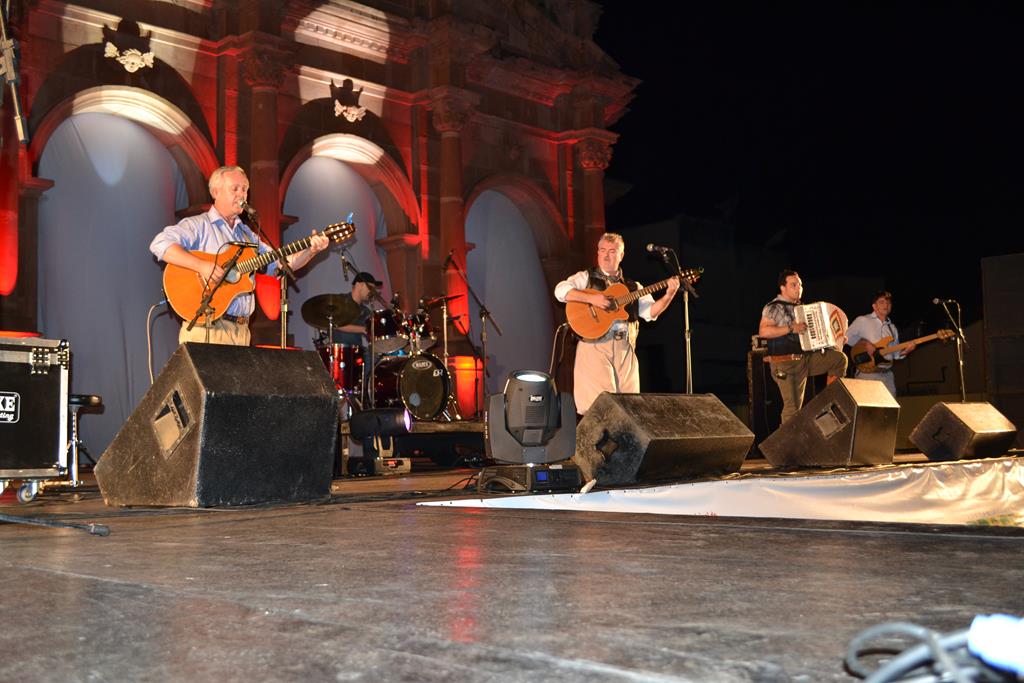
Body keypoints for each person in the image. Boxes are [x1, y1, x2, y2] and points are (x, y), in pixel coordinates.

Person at [150, 165, 329, 346]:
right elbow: (160, 244)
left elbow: (282, 264)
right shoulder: (199, 225)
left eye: (244, 189)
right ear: (215, 192)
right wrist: (201, 265)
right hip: (207, 329)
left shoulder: (247, 235)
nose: (241, 194)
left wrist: (311, 250)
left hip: (242, 332)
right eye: (235, 189)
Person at [554, 232, 680, 414]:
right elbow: (561, 290)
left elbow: (651, 313)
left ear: (621, 255)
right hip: (595, 345)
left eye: (612, 251)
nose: (605, 255)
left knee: (629, 407)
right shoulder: (586, 277)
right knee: (602, 407)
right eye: (602, 250)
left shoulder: (633, 287)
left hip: (625, 347)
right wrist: (594, 299)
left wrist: (669, 295)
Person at [758, 269, 848, 424]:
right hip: (784, 365)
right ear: (782, 288)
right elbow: (764, 331)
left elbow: (814, 339)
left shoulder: (804, 308)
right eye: (793, 285)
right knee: (792, 409)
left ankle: (830, 404)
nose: (798, 288)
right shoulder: (774, 307)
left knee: (839, 359)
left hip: (805, 359)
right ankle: (786, 446)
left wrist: (835, 340)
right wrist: (791, 328)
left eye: (800, 284)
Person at [845, 290, 914, 396]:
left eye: (888, 303)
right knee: (867, 410)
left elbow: (895, 355)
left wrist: (907, 351)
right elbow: (845, 338)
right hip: (867, 375)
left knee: (889, 411)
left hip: (887, 377)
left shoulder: (892, 328)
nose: (886, 305)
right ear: (874, 306)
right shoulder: (863, 320)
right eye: (881, 302)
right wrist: (865, 343)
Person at [331, 272, 383, 347]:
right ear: (359, 285)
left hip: (358, 352)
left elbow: (371, 335)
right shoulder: (341, 301)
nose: (371, 291)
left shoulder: (366, 311)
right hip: (340, 351)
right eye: (370, 287)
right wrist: (363, 329)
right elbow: (335, 324)